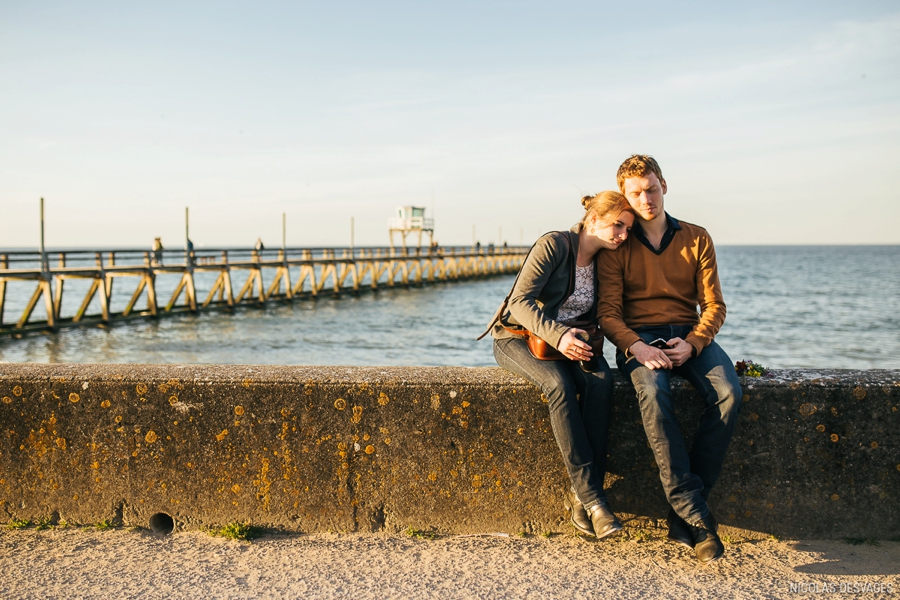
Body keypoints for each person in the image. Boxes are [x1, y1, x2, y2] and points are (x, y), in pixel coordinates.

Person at [596, 155, 742, 563]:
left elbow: (714, 305)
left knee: (729, 392)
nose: (647, 199)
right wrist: (638, 348)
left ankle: (685, 515)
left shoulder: (696, 236)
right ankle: (695, 516)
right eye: (636, 193)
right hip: (638, 339)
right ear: (625, 196)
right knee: (656, 397)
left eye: (652, 188)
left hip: (687, 334)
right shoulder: (618, 244)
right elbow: (608, 313)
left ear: (664, 184)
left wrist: (694, 343)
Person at [481, 191, 635, 538]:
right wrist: (560, 335)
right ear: (593, 219)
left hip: (570, 344)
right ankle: (595, 500)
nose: (623, 236)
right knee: (559, 386)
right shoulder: (555, 245)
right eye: (618, 226)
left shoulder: (607, 261)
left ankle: (580, 495)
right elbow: (519, 301)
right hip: (517, 339)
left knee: (602, 382)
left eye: (628, 229)